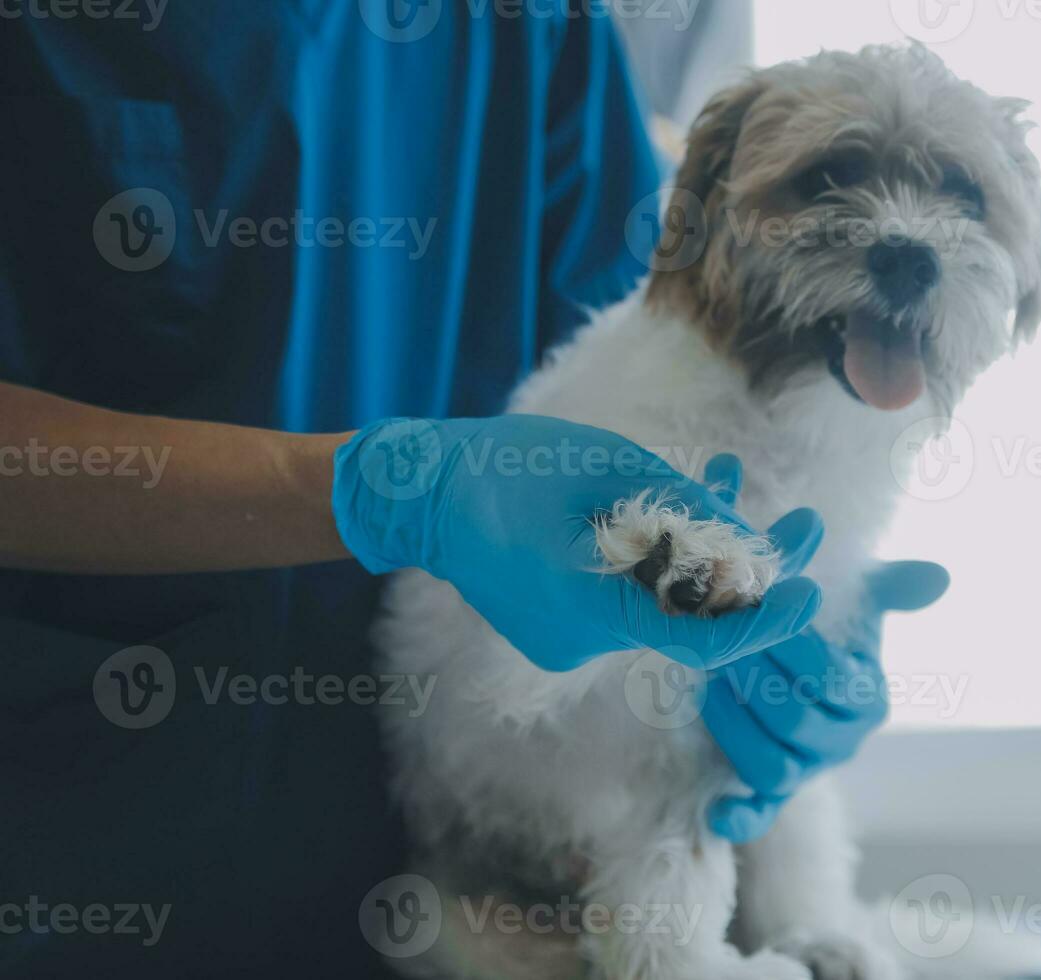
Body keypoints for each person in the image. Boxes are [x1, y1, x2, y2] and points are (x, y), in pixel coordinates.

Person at [0, 5, 946, 976]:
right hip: (73, 845)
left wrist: (800, 640)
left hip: (437, 885)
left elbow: (658, 334)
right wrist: (388, 492)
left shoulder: (536, 27)